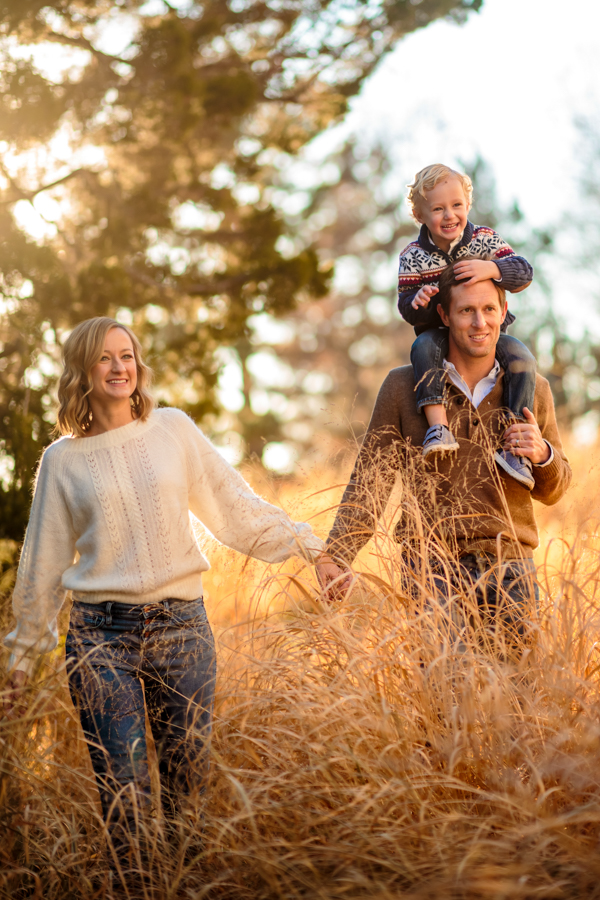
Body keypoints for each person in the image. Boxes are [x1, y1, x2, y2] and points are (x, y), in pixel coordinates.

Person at [2, 316, 325, 864]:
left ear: (139, 365)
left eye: (126, 355)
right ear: (82, 369)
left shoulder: (173, 429)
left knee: (186, 798)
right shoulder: (61, 461)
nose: (118, 367)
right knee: (124, 795)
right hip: (102, 640)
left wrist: (314, 549)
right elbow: (42, 568)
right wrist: (21, 655)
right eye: (104, 357)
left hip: (183, 631)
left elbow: (235, 509)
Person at [317, 261, 571, 646]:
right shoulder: (403, 386)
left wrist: (542, 454)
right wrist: (336, 554)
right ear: (444, 315)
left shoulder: (533, 388)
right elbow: (371, 480)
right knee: (442, 696)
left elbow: (554, 489)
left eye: (488, 310)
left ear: (504, 312)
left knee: (517, 698)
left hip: (512, 568)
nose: (479, 323)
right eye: (466, 310)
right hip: (430, 570)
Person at [398, 164, 536, 490]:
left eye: (457, 205)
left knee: (521, 359)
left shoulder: (484, 240)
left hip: (487, 334)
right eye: (438, 208)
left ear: (467, 205)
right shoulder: (413, 256)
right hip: (438, 335)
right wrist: (419, 300)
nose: (450, 215)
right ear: (419, 215)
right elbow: (406, 307)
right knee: (422, 348)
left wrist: (491, 267)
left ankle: (515, 443)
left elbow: (523, 272)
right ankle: (438, 428)